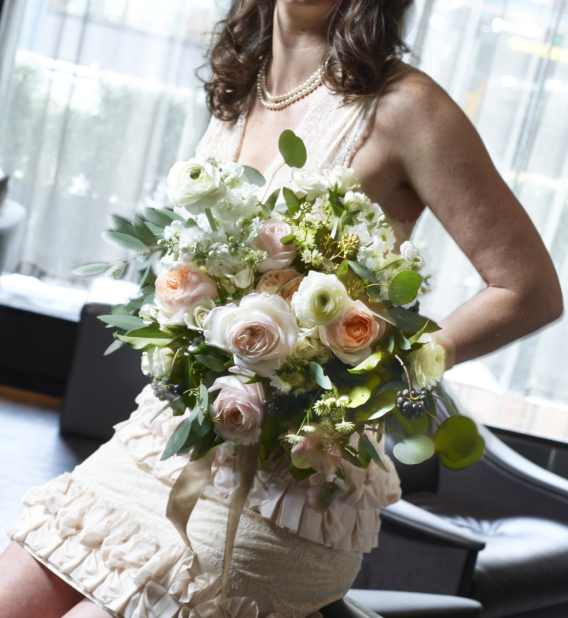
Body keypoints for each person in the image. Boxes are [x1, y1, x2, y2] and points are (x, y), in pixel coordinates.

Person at [0, 0, 562, 617]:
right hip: (162, 445)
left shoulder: (408, 107)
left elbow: (527, 289)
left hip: (286, 487)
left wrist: (381, 371)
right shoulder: (242, 84)